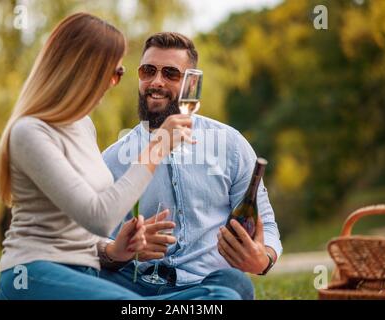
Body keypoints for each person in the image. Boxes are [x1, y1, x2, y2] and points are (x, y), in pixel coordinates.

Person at [0, 14, 240, 300]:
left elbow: (80, 225)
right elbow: (99, 217)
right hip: (34, 273)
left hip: (85, 274)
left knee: (223, 295)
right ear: (81, 69)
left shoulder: (83, 125)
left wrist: (115, 250)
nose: (114, 83)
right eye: (113, 72)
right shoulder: (29, 132)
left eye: (119, 74)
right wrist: (158, 146)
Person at [98, 32, 283, 300]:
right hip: (137, 285)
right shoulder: (113, 158)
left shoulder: (230, 144)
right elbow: (94, 242)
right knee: (87, 276)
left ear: (190, 83)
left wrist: (263, 259)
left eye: (171, 73)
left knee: (234, 282)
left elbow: (265, 222)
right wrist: (119, 249)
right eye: (148, 71)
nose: (156, 82)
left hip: (207, 283)